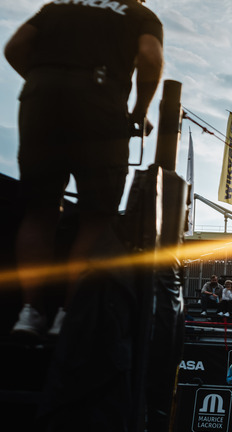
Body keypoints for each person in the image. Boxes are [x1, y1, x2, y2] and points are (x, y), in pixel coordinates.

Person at [6, 0, 163, 337]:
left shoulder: (58, 6)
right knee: (96, 217)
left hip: (40, 100)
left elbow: (14, 47)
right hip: (101, 103)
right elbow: (151, 57)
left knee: (39, 211)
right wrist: (138, 111)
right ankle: (67, 315)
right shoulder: (139, 14)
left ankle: (29, 312)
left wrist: (44, 81)